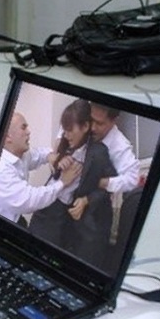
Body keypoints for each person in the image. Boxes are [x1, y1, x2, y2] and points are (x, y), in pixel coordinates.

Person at [28, 100, 117, 267]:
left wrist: (87, 200)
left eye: (70, 130)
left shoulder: (98, 152)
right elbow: (55, 172)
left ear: (85, 127)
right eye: (64, 130)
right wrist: (59, 163)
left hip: (67, 218)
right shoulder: (66, 144)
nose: (66, 135)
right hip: (47, 211)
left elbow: (110, 184)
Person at [0, 112, 82, 226]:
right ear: (8, 137)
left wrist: (52, 156)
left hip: (15, 218)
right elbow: (28, 200)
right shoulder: (1, 170)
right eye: (23, 128)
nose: (28, 132)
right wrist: (62, 182)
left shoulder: (20, 154)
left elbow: (37, 155)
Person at [89, 102, 140, 193]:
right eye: (91, 120)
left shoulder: (120, 146)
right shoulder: (82, 124)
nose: (92, 128)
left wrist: (99, 182)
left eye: (99, 123)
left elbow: (132, 179)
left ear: (114, 121)